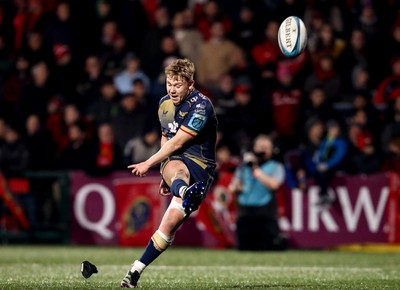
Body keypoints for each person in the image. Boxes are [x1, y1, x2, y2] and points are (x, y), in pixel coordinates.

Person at [120, 58, 217, 288]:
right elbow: (166, 139)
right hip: (177, 163)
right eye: (169, 84)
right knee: (177, 168)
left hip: (201, 165)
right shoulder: (164, 104)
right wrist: (166, 175)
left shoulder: (202, 106)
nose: (172, 89)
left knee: (169, 225)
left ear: (190, 84)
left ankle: (183, 189)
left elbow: (178, 142)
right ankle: (134, 272)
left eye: (178, 85)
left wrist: (148, 164)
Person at [228, 134, 287, 251]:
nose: (262, 150)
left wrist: (255, 169)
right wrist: (236, 187)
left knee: (267, 248)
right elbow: (232, 186)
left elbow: (274, 184)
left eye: (266, 147)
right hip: (245, 214)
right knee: (244, 248)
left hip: (265, 215)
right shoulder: (243, 167)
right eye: (260, 146)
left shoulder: (276, 166)